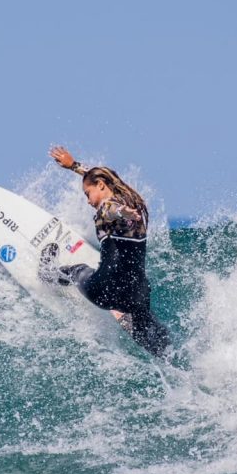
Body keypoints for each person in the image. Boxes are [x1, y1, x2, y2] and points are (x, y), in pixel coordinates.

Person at [44, 145, 171, 357]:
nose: (87, 200)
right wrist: (74, 166)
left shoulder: (108, 208)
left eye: (88, 193)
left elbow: (110, 209)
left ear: (101, 185)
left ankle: (48, 274)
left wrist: (122, 212)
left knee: (78, 270)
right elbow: (110, 192)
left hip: (105, 290)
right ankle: (167, 356)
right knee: (145, 325)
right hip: (137, 294)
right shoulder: (134, 202)